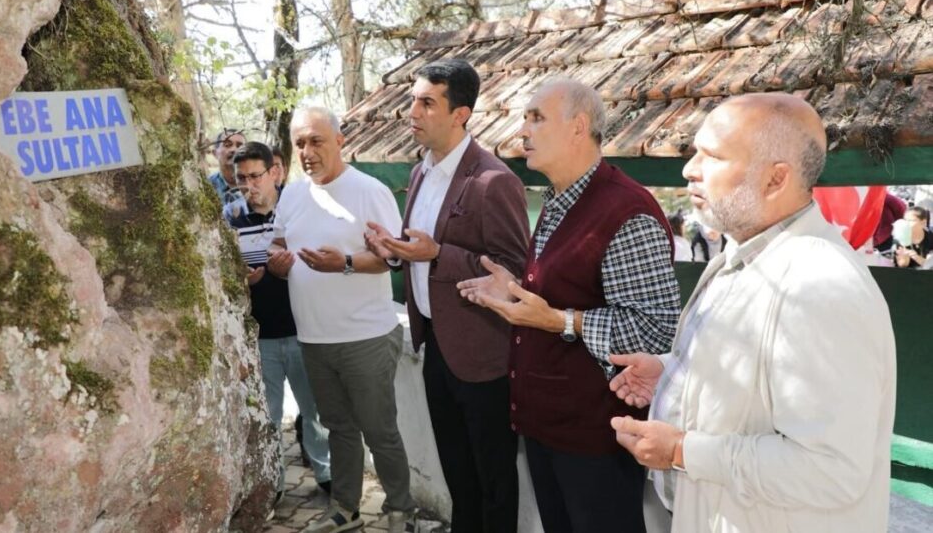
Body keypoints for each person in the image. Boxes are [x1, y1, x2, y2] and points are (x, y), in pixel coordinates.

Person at [608, 93, 895, 533]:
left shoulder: (820, 287)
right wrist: (673, 374)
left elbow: (830, 469)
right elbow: (760, 372)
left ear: (775, 179)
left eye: (713, 156)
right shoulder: (743, 254)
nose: (689, 169)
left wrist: (682, 450)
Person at [457, 78, 680, 533]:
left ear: (579, 127)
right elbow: (569, 290)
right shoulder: (560, 198)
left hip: (597, 436)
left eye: (536, 118)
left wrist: (556, 320)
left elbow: (655, 329)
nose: (523, 131)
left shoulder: (626, 211)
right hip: (550, 427)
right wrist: (515, 290)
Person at [364, 59, 530, 533]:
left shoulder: (494, 181)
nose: (412, 112)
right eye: (412, 101)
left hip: (483, 355)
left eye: (426, 103)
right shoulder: (421, 173)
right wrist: (394, 252)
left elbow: (514, 270)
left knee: (494, 479)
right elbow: (420, 250)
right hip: (434, 346)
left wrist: (438, 254)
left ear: (460, 114)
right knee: (457, 474)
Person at [269, 107, 416, 533]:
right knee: (339, 429)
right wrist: (278, 262)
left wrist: (346, 263)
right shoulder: (292, 194)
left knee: (379, 431)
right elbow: (279, 244)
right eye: (299, 143)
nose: (307, 151)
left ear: (339, 141)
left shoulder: (370, 191)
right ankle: (346, 509)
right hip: (314, 337)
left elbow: (393, 258)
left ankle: (401, 511)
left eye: (316, 141)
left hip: (366, 336)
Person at [223, 141, 331, 502]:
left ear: (275, 172)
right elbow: (223, 274)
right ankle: (274, 483)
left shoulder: (298, 210)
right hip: (260, 335)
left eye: (255, 176)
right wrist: (242, 280)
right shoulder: (229, 218)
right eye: (242, 178)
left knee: (314, 410)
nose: (249, 185)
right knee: (267, 415)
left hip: (303, 329)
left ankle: (326, 474)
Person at [207, 127, 245, 205]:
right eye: (227, 145)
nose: (234, 149)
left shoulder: (257, 184)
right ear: (215, 153)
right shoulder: (207, 186)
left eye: (240, 146)